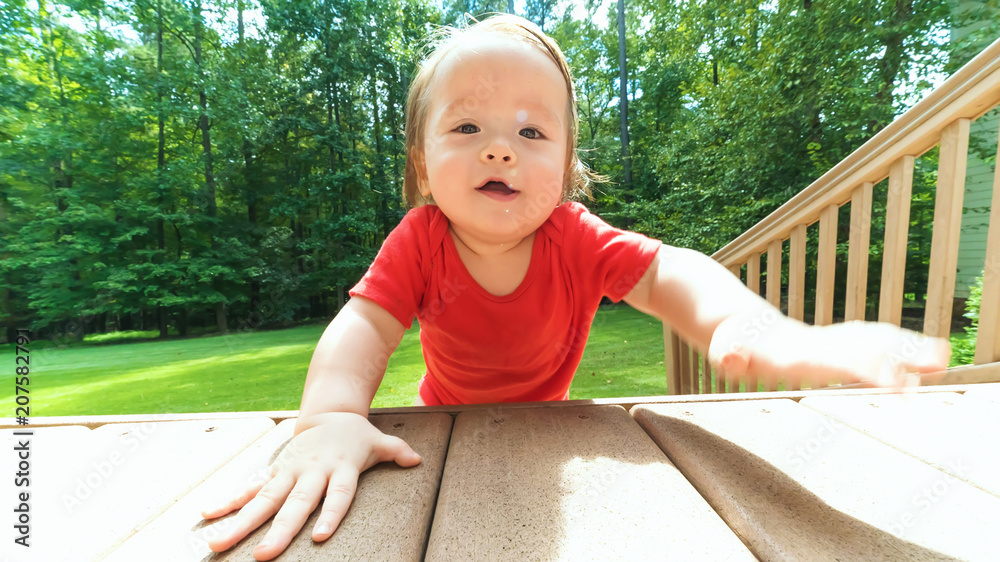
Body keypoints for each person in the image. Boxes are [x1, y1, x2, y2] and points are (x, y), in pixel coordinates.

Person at [200, 14, 950, 560]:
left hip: (554, 431)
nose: (500, 145)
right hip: (443, 432)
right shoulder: (421, 239)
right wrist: (330, 416)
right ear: (424, 165)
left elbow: (667, 270)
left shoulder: (574, 236)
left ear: (564, 166)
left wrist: (750, 327)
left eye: (532, 133)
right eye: (466, 128)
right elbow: (362, 327)